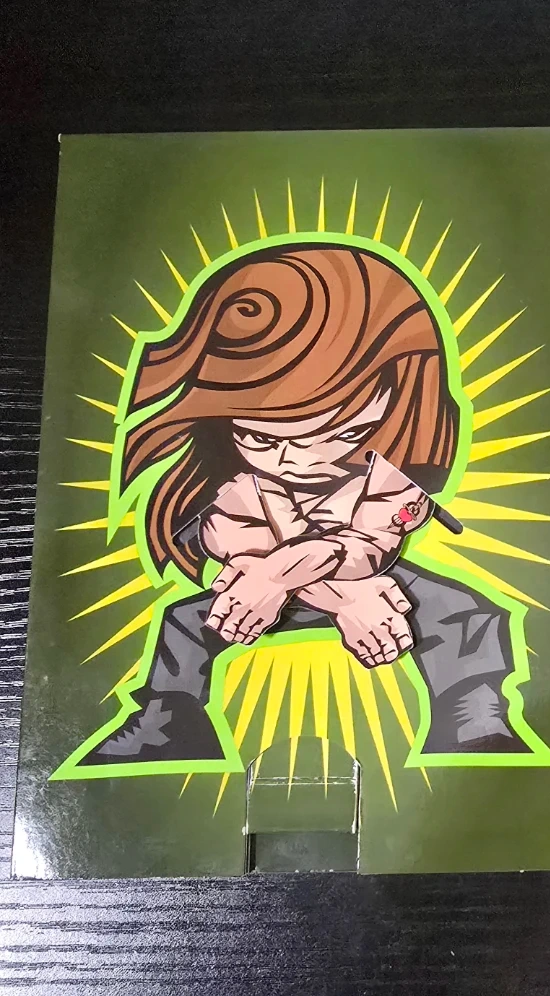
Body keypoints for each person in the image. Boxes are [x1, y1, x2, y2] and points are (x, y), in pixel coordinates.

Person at [80, 244, 518, 765]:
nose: (295, 459)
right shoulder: (231, 481)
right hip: (275, 588)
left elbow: (369, 549)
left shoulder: (394, 475)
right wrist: (347, 601)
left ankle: (473, 716)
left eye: (342, 433)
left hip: (352, 578)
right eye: (262, 439)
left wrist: (285, 576)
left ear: (399, 397)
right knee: (186, 622)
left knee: (463, 610)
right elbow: (247, 553)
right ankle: (167, 723)